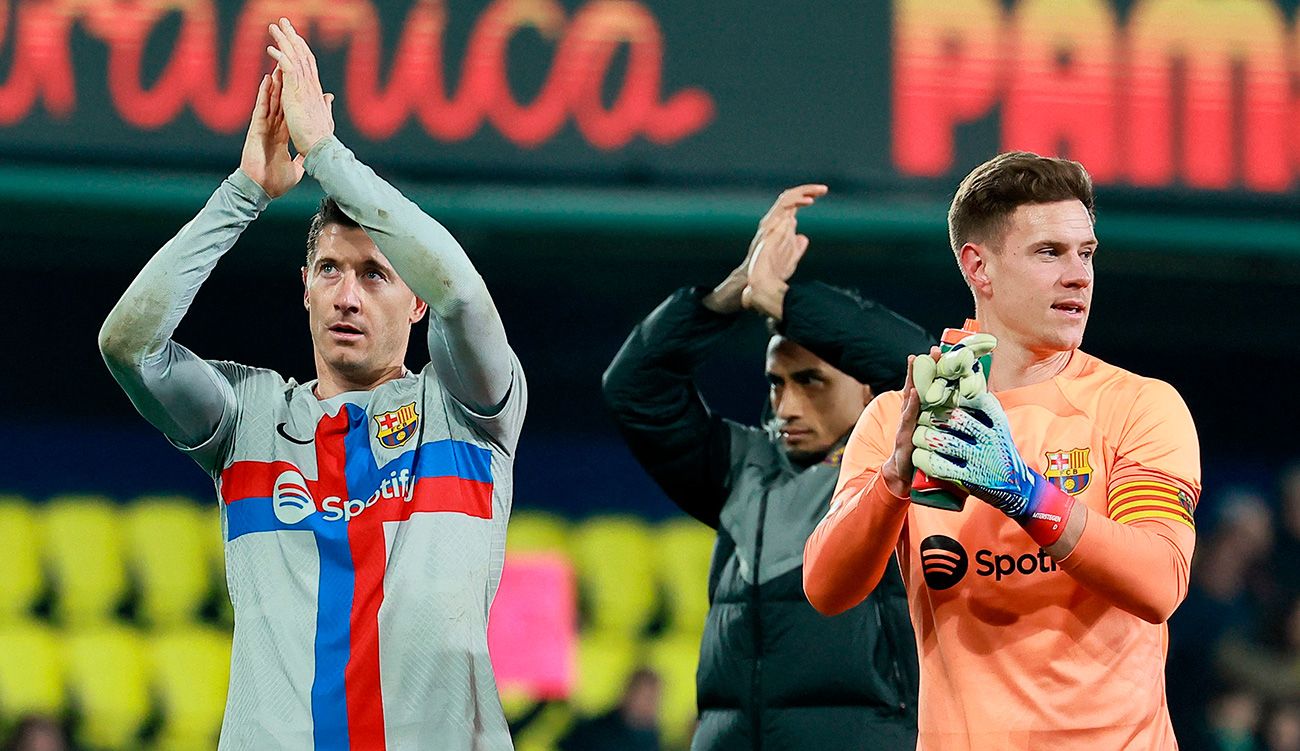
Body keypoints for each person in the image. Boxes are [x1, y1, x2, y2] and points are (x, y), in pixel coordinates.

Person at [98, 18, 525, 750]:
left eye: (374, 275)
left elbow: (462, 291)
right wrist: (244, 194)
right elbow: (128, 345)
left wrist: (327, 154)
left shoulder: (465, 411)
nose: (347, 296)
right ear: (304, 287)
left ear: (414, 300)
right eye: (330, 270)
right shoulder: (250, 419)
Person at [804, 151, 1201, 749]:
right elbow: (826, 589)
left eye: (1086, 253)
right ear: (979, 267)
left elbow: (1159, 584)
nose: (1079, 276)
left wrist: (1025, 494)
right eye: (1050, 253)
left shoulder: (1139, 406)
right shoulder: (897, 418)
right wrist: (891, 482)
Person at [603, 185, 932, 750]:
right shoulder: (740, 468)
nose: (787, 405)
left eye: (812, 381)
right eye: (777, 383)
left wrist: (783, 299)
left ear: (869, 388)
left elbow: (923, 362)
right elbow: (636, 388)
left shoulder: (908, 468)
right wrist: (732, 293)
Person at [557, 668, 663, 751]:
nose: (647, 704)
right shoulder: (592, 734)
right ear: (626, 694)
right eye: (643, 696)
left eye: (652, 698)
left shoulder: (658, 743)